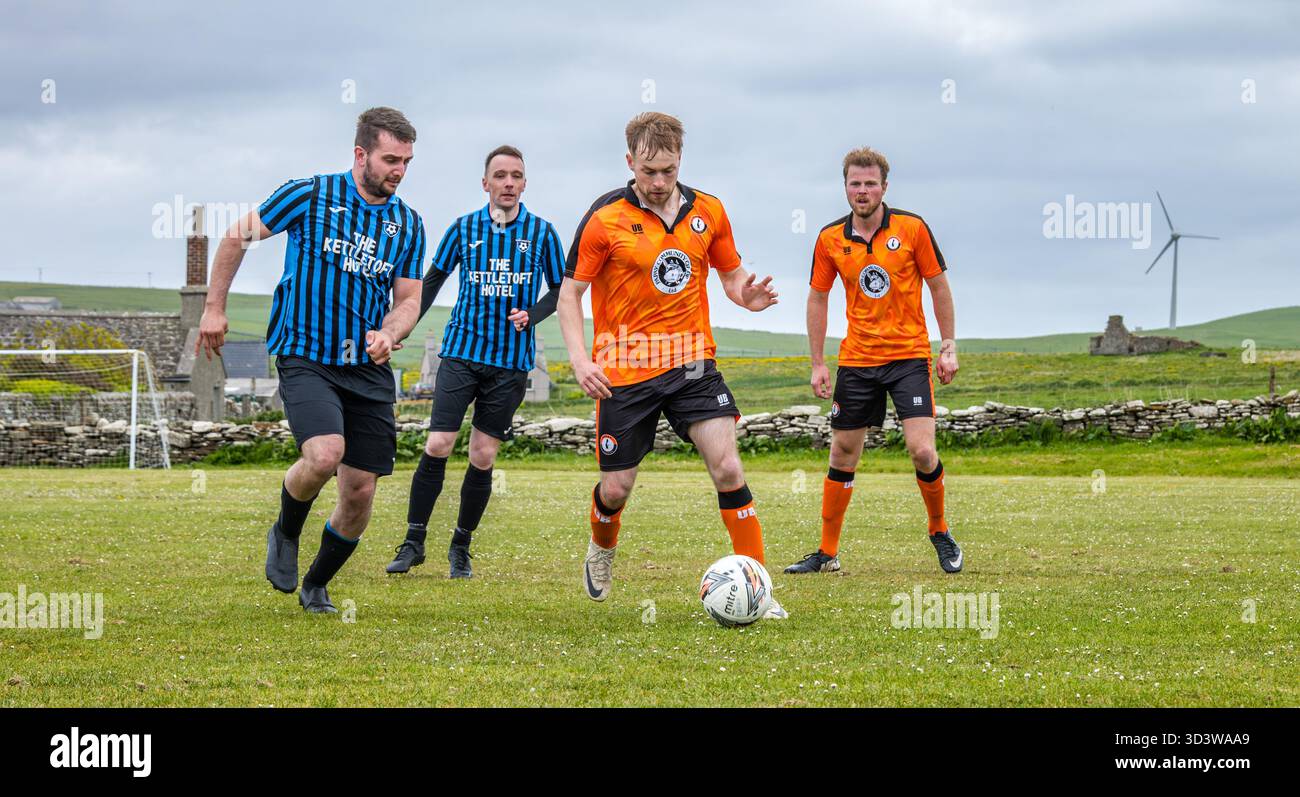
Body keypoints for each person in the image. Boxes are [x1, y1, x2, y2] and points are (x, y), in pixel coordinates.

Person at [557, 111, 787, 618]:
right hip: (624, 372)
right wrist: (579, 359)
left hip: (691, 364)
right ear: (629, 163)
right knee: (616, 488)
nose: (658, 182)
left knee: (727, 466)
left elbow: (731, 277)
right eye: (647, 172)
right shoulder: (604, 217)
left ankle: (759, 591)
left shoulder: (710, 211)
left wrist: (746, 295)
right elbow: (569, 295)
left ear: (680, 159)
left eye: (667, 169)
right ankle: (602, 546)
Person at [197, 107, 426, 612]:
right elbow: (237, 236)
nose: (399, 171)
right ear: (361, 154)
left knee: (360, 491)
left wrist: (391, 331)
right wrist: (215, 308)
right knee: (323, 455)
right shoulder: (310, 194)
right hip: (306, 355)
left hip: (367, 367)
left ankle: (317, 583)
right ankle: (285, 529)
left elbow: (408, 299)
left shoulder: (408, 224)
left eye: (407, 161)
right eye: (391, 159)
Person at [387, 145, 565, 578]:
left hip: (510, 364)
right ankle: (413, 542)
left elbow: (562, 290)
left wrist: (533, 313)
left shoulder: (542, 233)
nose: (508, 183)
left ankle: (460, 548)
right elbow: (429, 283)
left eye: (516, 176)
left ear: (525, 183)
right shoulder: (463, 229)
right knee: (438, 445)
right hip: (461, 355)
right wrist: (399, 327)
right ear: (485, 183)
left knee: (483, 455)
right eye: (500, 175)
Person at [785, 147, 963, 576]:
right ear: (844, 186)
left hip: (908, 357)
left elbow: (939, 287)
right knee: (843, 454)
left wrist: (949, 345)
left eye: (870, 183)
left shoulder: (913, 228)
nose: (862, 191)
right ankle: (827, 553)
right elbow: (817, 297)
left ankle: (939, 531)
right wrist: (817, 362)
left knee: (922, 450)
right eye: (854, 183)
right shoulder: (830, 238)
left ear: (885, 186)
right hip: (858, 361)